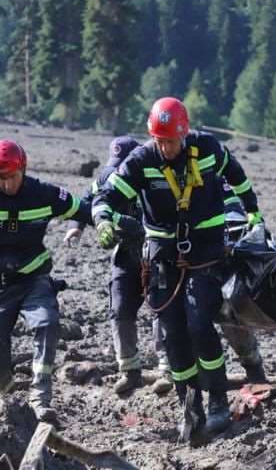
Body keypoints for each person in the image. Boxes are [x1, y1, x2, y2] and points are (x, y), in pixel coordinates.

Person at [92, 97, 266, 439]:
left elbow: (237, 175)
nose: (166, 147)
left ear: (184, 135)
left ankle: (217, 399)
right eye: (160, 141)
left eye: (171, 141)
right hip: (162, 255)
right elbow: (107, 197)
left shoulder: (209, 149)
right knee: (172, 333)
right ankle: (189, 403)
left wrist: (252, 210)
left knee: (199, 323)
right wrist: (102, 221)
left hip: (205, 251)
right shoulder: (141, 160)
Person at [0, 139, 90, 423]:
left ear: (23, 169)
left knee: (47, 323)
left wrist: (102, 224)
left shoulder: (43, 194)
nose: (9, 184)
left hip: (33, 278)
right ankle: (8, 394)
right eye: (1, 178)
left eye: (14, 177)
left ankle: (40, 396)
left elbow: (82, 209)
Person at [64, 136, 173, 394]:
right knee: (120, 308)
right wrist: (76, 228)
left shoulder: (153, 177)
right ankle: (130, 371)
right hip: (125, 253)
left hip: (156, 251)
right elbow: (86, 201)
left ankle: (168, 369)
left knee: (162, 308)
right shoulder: (106, 177)